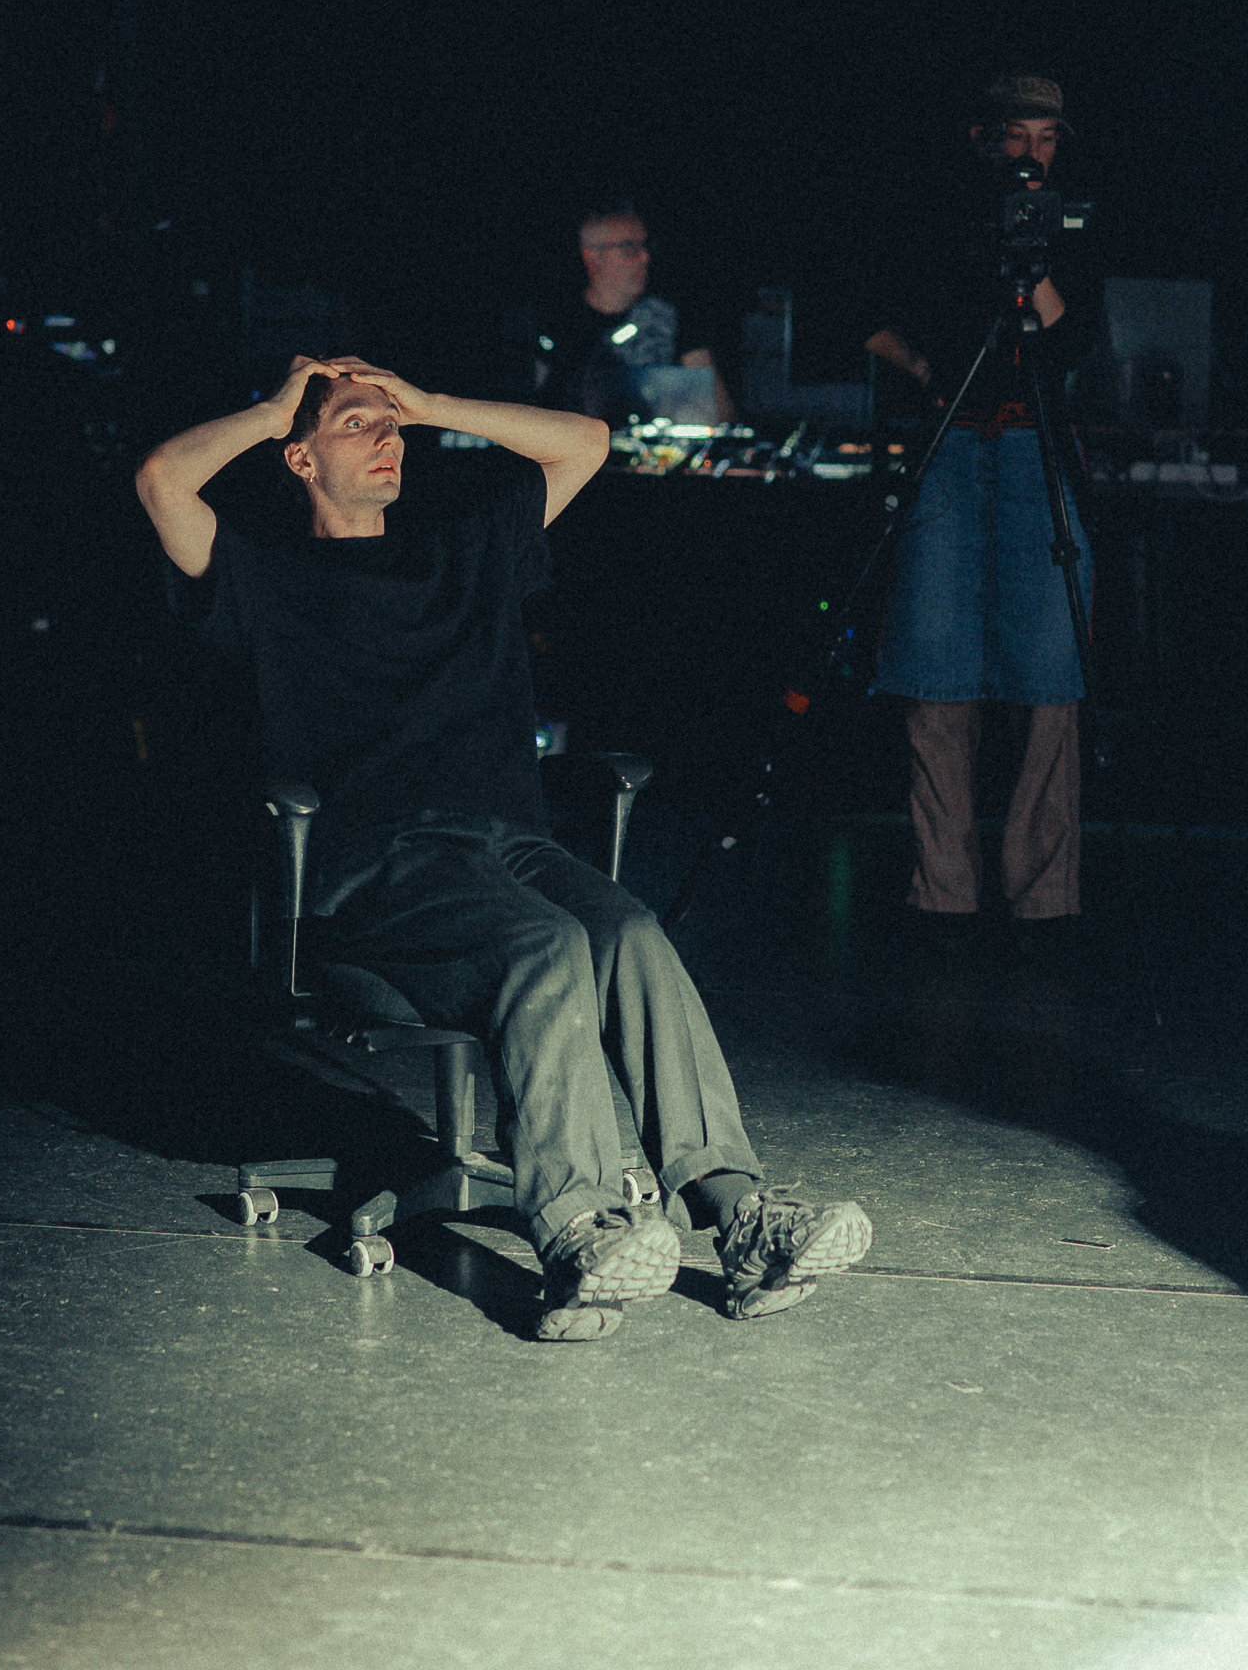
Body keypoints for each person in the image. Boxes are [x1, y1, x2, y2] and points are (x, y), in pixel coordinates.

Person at [135, 355, 868, 1339]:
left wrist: (429, 400)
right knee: (545, 947)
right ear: (300, 459)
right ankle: (576, 1234)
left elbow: (586, 443)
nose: (387, 438)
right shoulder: (266, 575)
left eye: (393, 424)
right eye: (357, 424)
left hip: (507, 847)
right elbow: (163, 480)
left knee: (631, 935)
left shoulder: (464, 548)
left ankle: (740, 1216)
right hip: (378, 865)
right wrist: (274, 409)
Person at [861, 74, 1102, 938]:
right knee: (934, 670)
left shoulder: (1070, 227)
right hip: (952, 443)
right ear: (981, 139)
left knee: (1049, 674)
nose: (1032, 152)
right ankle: (942, 893)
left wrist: (1034, 260)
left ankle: (1045, 898)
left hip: (1036, 444)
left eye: (1046, 137)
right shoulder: (933, 223)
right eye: (1016, 136)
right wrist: (924, 369)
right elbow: (863, 312)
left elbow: (1072, 347)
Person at [534, 206, 734, 424]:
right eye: (629, 248)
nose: (644, 257)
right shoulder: (558, 324)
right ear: (592, 256)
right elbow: (536, 410)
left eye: (645, 245)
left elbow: (720, 414)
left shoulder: (669, 318)